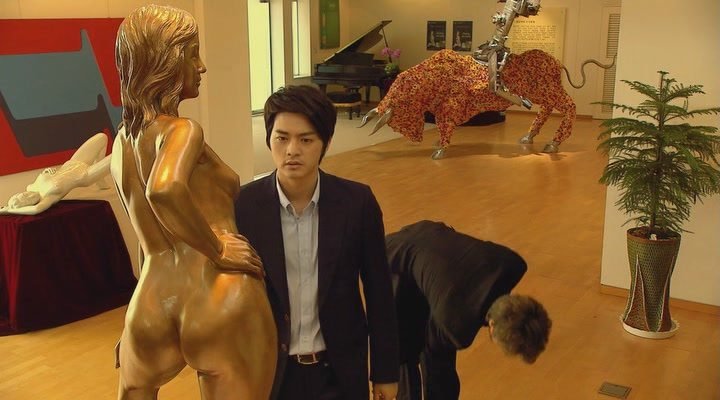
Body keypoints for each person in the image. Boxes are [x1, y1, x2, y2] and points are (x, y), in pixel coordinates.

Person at [112, 5, 276, 399]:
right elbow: (164, 190)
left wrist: (135, 319)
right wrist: (218, 248)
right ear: (166, 60)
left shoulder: (121, 143)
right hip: (217, 291)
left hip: (151, 299)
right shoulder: (183, 130)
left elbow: (147, 226)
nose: (201, 66)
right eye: (192, 54)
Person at [234, 85, 399, 400]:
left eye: (306, 140)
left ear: (326, 143)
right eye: (282, 138)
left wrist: (385, 372)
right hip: (269, 375)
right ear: (269, 140)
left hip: (337, 373)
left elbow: (379, 291)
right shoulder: (243, 207)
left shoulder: (357, 203)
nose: (292, 150)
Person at [385, 220, 551, 400]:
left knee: (434, 352)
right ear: (492, 325)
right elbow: (434, 365)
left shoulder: (512, 264)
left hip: (430, 233)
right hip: (396, 259)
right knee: (406, 347)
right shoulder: (455, 325)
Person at [0, 132, 111, 215]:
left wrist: (47, 171)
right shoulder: (47, 197)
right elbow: (36, 210)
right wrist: (10, 210)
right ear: (26, 206)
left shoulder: (32, 186)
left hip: (73, 163)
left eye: (22, 195)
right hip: (84, 175)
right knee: (117, 154)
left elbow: (50, 176)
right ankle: (98, 175)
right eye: (25, 200)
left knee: (101, 137)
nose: (27, 195)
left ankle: (100, 179)